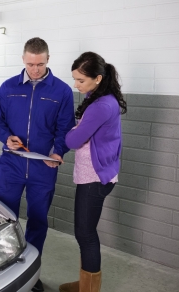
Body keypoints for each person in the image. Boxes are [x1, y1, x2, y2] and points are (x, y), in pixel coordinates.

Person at [0, 37, 75, 292]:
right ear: (23, 60)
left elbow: (65, 128)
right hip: (11, 165)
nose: (35, 70)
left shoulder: (61, 91)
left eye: (39, 64)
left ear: (48, 59)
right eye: (30, 64)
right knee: (4, 218)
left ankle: (31, 275)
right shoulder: (7, 87)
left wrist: (58, 152)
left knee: (37, 221)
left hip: (43, 168)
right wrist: (6, 137)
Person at [59, 52, 127, 292]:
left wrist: (71, 131)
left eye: (81, 80)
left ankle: (88, 289)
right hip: (99, 174)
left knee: (85, 234)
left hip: (94, 178)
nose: (76, 85)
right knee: (85, 233)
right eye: (74, 79)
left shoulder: (100, 106)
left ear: (97, 78)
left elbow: (74, 140)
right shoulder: (100, 97)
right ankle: (85, 283)